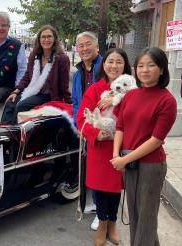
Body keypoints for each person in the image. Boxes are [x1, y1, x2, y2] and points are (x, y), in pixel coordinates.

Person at [111, 47, 177, 246]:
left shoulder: (167, 100)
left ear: (162, 69)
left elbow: (156, 140)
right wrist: (116, 155)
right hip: (128, 163)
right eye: (140, 66)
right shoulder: (131, 95)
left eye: (151, 65)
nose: (145, 70)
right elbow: (120, 126)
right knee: (135, 213)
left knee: (146, 219)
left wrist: (124, 159)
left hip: (150, 166)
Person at [76, 48, 132, 246]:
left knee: (116, 188)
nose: (114, 66)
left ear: (125, 65)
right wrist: (94, 134)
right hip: (99, 148)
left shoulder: (132, 90)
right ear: (104, 64)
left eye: (119, 62)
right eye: (110, 61)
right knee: (100, 188)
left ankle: (112, 223)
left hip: (122, 148)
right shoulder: (95, 89)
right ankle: (102, 223)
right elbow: (81, 117)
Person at [0, 25, 71, 125]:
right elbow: (27, 76)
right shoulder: (35, 55)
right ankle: (4, 131)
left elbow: (64, 85)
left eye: (49, 36)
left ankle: (15, 134)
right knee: (10, 102)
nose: (46, 39)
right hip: (32, 90)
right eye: (43, 37)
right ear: (39, 39)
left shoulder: (62, 59)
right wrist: (16, 91)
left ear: (54, 39)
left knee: (21, 106)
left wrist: (69, 102)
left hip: (48, 95)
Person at [71, 31, 103, 230]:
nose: (84, 48)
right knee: (90, 166)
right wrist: (79, 124)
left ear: (97, 47)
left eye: (88, 44)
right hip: (86, 126)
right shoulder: (78, 72)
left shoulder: (105, 66)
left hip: (103, 126)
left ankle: (103, 212)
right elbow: (76, 101)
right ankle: (97, 204)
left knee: (103, 170)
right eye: (80, 45)